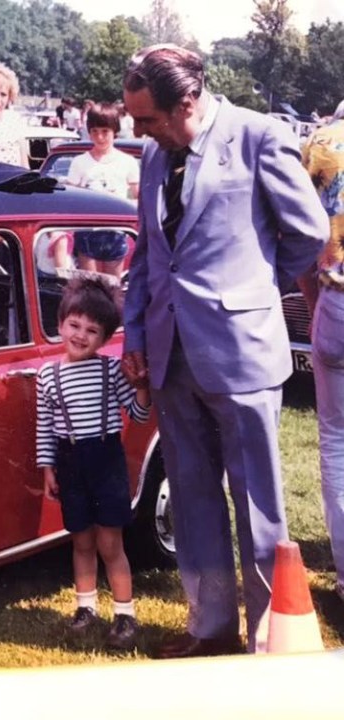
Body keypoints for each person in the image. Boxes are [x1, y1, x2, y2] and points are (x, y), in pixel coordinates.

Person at [120, 44, 328, 658]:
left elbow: (310, 233)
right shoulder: (158, 154)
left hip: (242, 353)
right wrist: (135, 333)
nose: (139, 132)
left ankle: (268, 635)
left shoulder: (259, 136)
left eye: (147, 119)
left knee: (258, 502)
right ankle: (209, 631)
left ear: (187, 102)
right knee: (192, 499)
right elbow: (148, 254)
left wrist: (254, 288)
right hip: (171, 355)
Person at [36, 276, 151, 651]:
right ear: (60, 324)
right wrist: (49, 468)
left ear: (104, 339)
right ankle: (86, 608)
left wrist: (141, 385)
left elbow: (136, 411)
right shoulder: (47, 376)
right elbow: (45, 427)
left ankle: (124, 614)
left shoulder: (109, 370)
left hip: (105, 460)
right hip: (70, 463)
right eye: (74, 325)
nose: (81, 335)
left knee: (109, 543)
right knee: (81, 540)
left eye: (92, 330)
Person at [299, 97, 344, 604]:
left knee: (336, 442)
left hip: (336, 301)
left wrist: (315, 302)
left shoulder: (322, 144)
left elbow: (303, 236)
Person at [66, 102, 140, 276]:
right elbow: (71, 200)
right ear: (89, 132)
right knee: (90, 287)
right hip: (87, 233)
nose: (100, 137)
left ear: (115, 131)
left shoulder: (127, 162)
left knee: (112, 288)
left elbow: (138, 197)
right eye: (94, 132)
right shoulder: (79, 162)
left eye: (105, 131)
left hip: (116, 233)